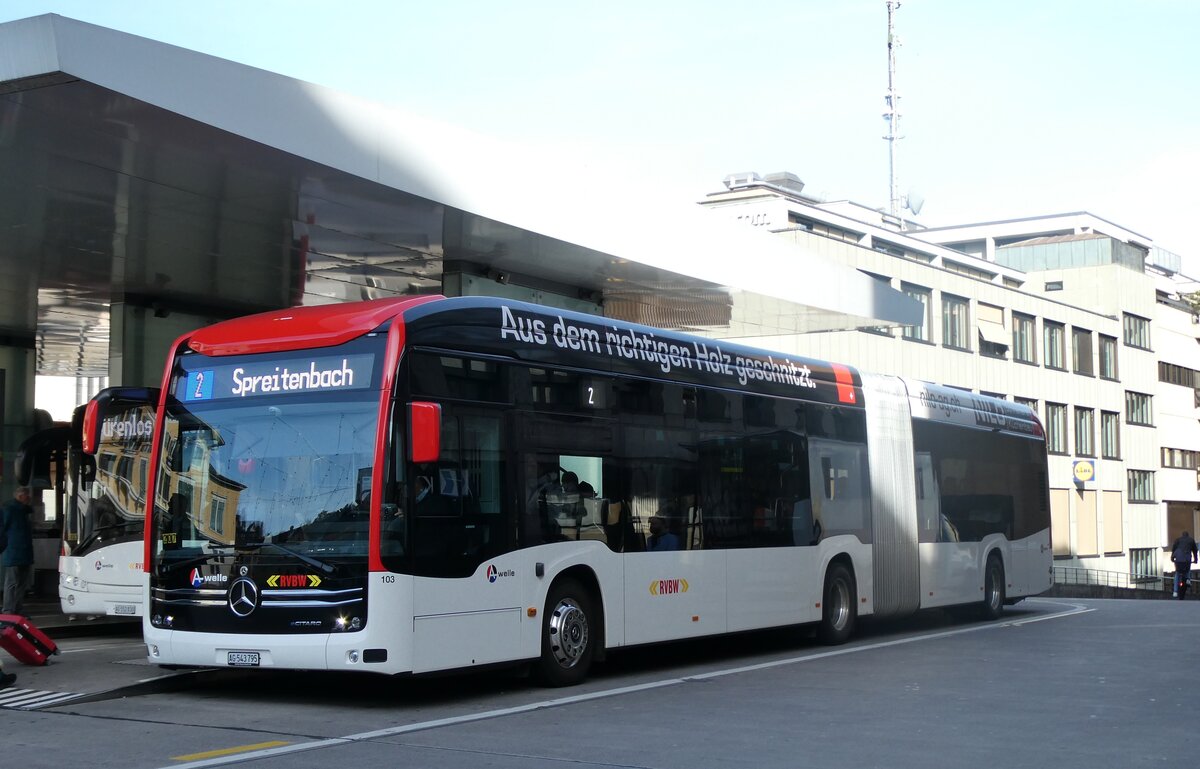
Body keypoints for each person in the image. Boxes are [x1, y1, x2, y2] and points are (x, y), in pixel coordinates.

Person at [1, 486, 35, 616]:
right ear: (21, 496)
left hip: (19, 552)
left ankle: (14, 609)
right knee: (14, 582)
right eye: (28, 496)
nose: (29, 498)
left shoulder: (22, 511)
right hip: (15, 552)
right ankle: (9, 609)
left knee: (18, 583)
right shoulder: (10, 510)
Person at [1170, 530, 1198, 599]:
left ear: (1182, 535)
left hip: (1178, 560)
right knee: (1188, 570)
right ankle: (1188, 579)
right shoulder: (1191, 540)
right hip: (1187, 560)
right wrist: (1195, 560)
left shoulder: (1178, 540)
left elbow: (1173, 549)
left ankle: (1175, 592)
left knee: (1177, 574)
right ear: (1188, 535)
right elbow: (1195, 551)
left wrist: (1172, 558)